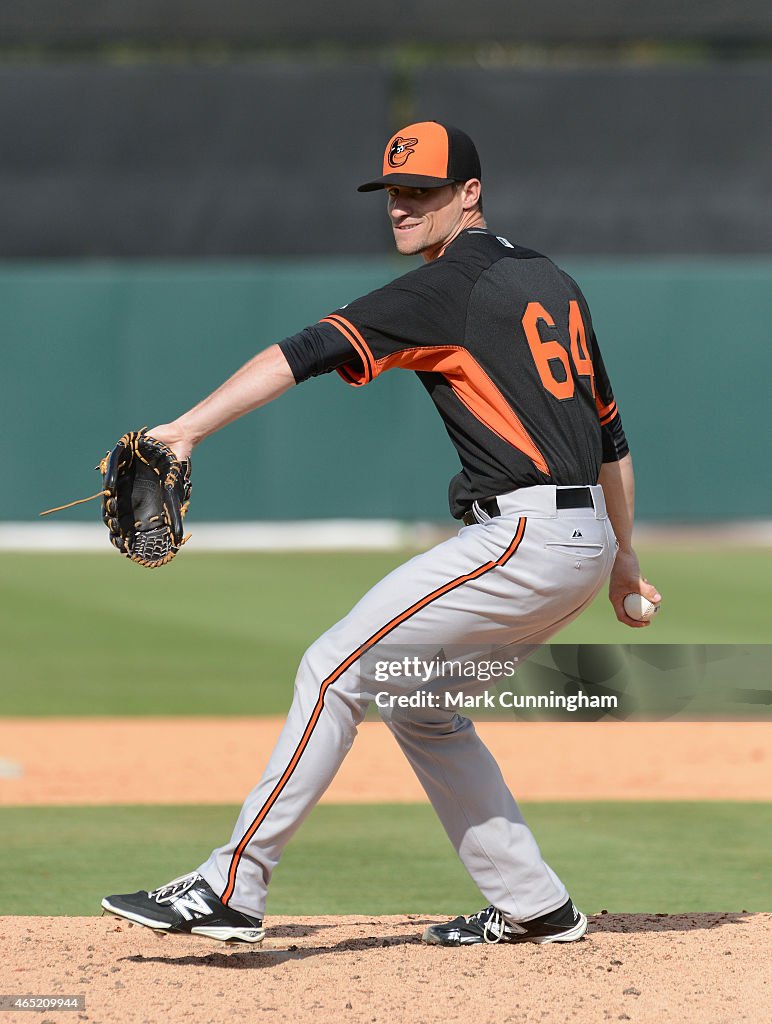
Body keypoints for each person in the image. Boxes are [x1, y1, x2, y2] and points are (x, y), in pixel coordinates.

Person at [101, 121, 660, 947]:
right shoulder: (553, 280)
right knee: (419, 701)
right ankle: (535, 903)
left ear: (469, 195)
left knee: (332, 667)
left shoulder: (447, 287)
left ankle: (230, 886)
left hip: (524, 537)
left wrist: (184, 432)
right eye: (394, 191)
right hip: (581, 544)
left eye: (423, 192)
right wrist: (625, 559)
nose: (402, 206)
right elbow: (611, 439)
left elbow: (304, 351)